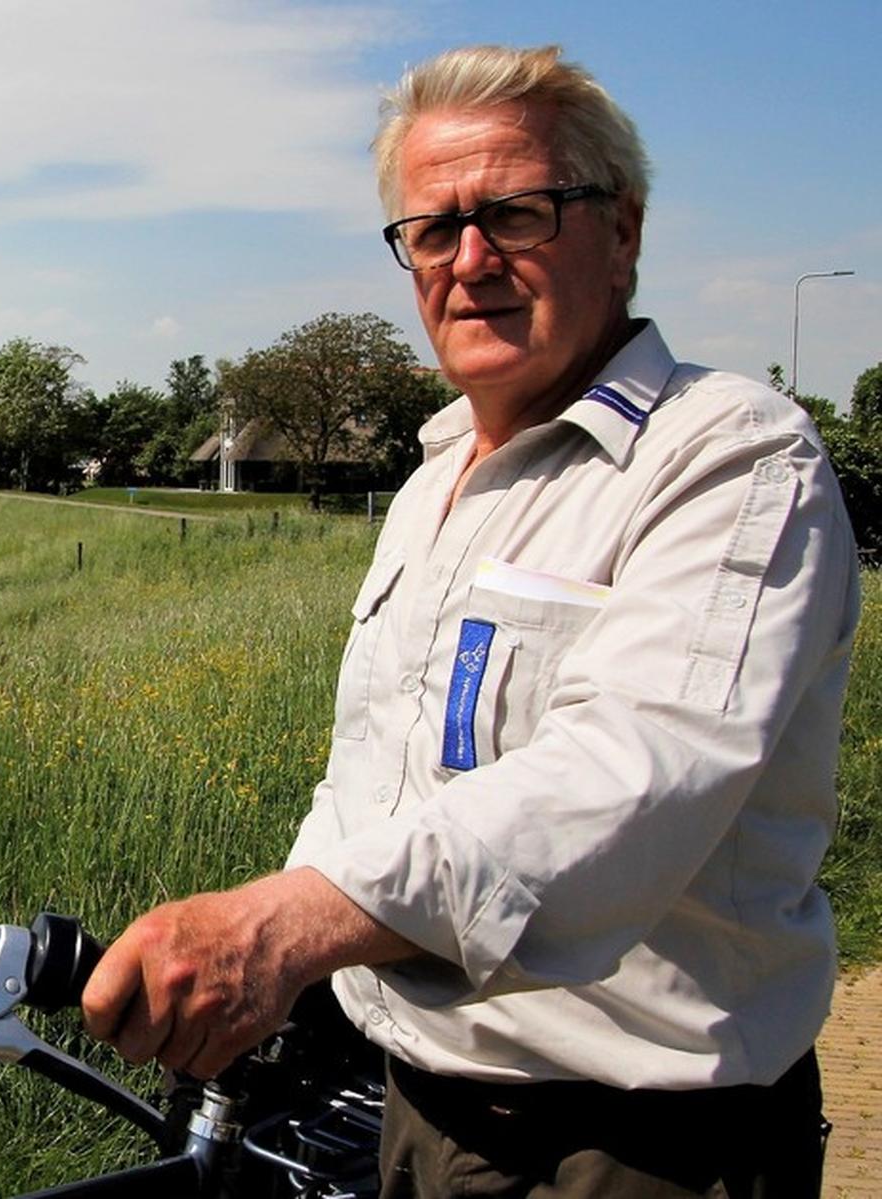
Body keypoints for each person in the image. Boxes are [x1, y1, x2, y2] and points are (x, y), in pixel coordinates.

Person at [82, 44, 859, 1197]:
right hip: (417, 1112)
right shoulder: (435, 476)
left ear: (624, 229)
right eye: (433, 229)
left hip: (638, 1147)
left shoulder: (732, 455)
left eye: (518, 212)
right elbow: (376, 780)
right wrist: (293, 968)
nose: (471, 260)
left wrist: (296, 922)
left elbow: (628, 775)